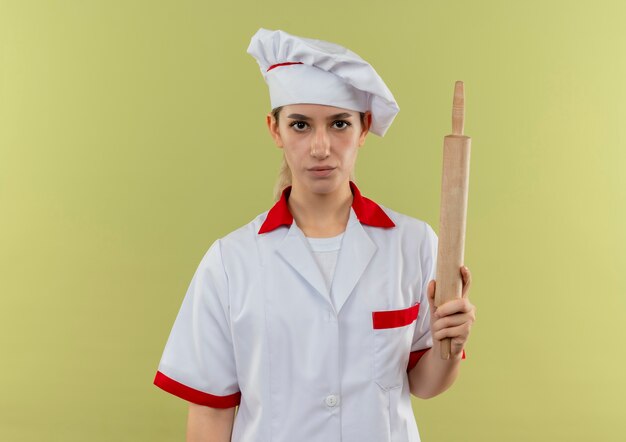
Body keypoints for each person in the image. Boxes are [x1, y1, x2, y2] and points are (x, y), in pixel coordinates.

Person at [153, 28, 476, 442]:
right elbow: (210, 413)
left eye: (339, 124)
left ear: (363, 129)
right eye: (301, 125)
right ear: (275, 130)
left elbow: (426, 384)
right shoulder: (230, 262)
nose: (321, 147)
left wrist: (450, 343)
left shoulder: (413, 244)